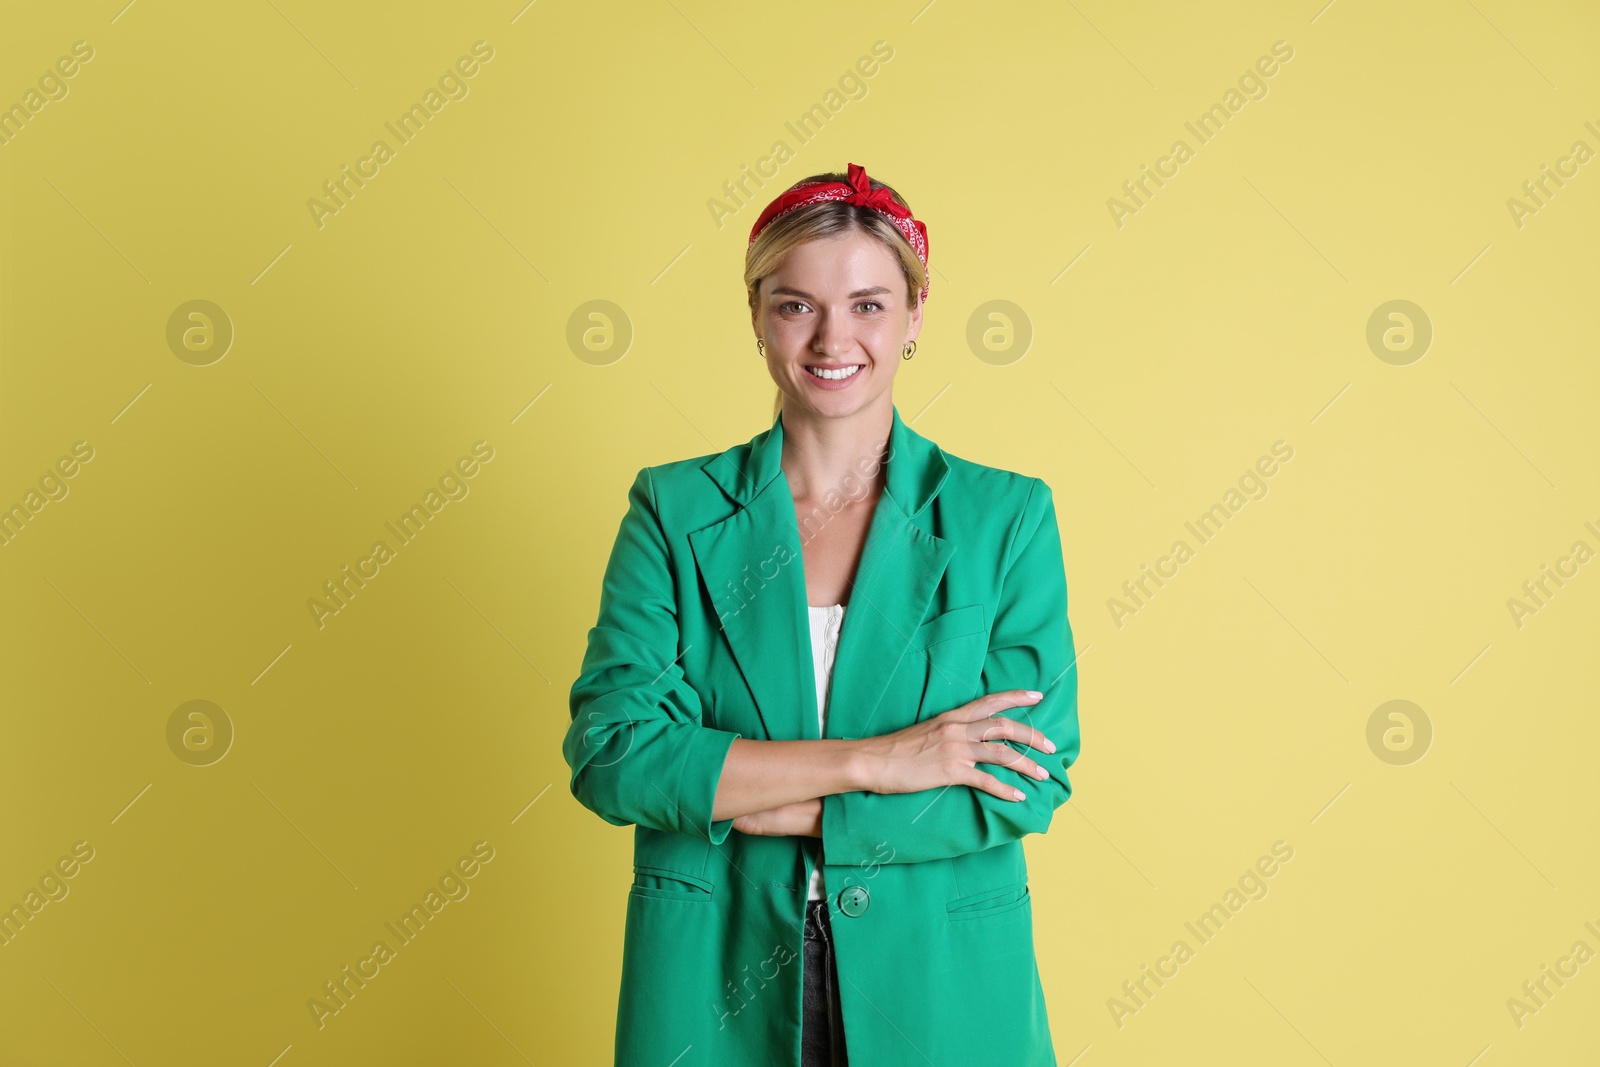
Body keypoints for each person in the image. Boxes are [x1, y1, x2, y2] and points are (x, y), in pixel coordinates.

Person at [563, 162, 1081, 1066]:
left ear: (915, 317)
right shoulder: (673, 510)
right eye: (797, 304)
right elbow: (616, 754)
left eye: (869, 305)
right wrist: (881, 762)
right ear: (758, 315)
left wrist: (754, 797)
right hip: (712, 977)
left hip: (942, 981)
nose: (832, 337)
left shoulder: (1006, 518)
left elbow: (1027, 776)